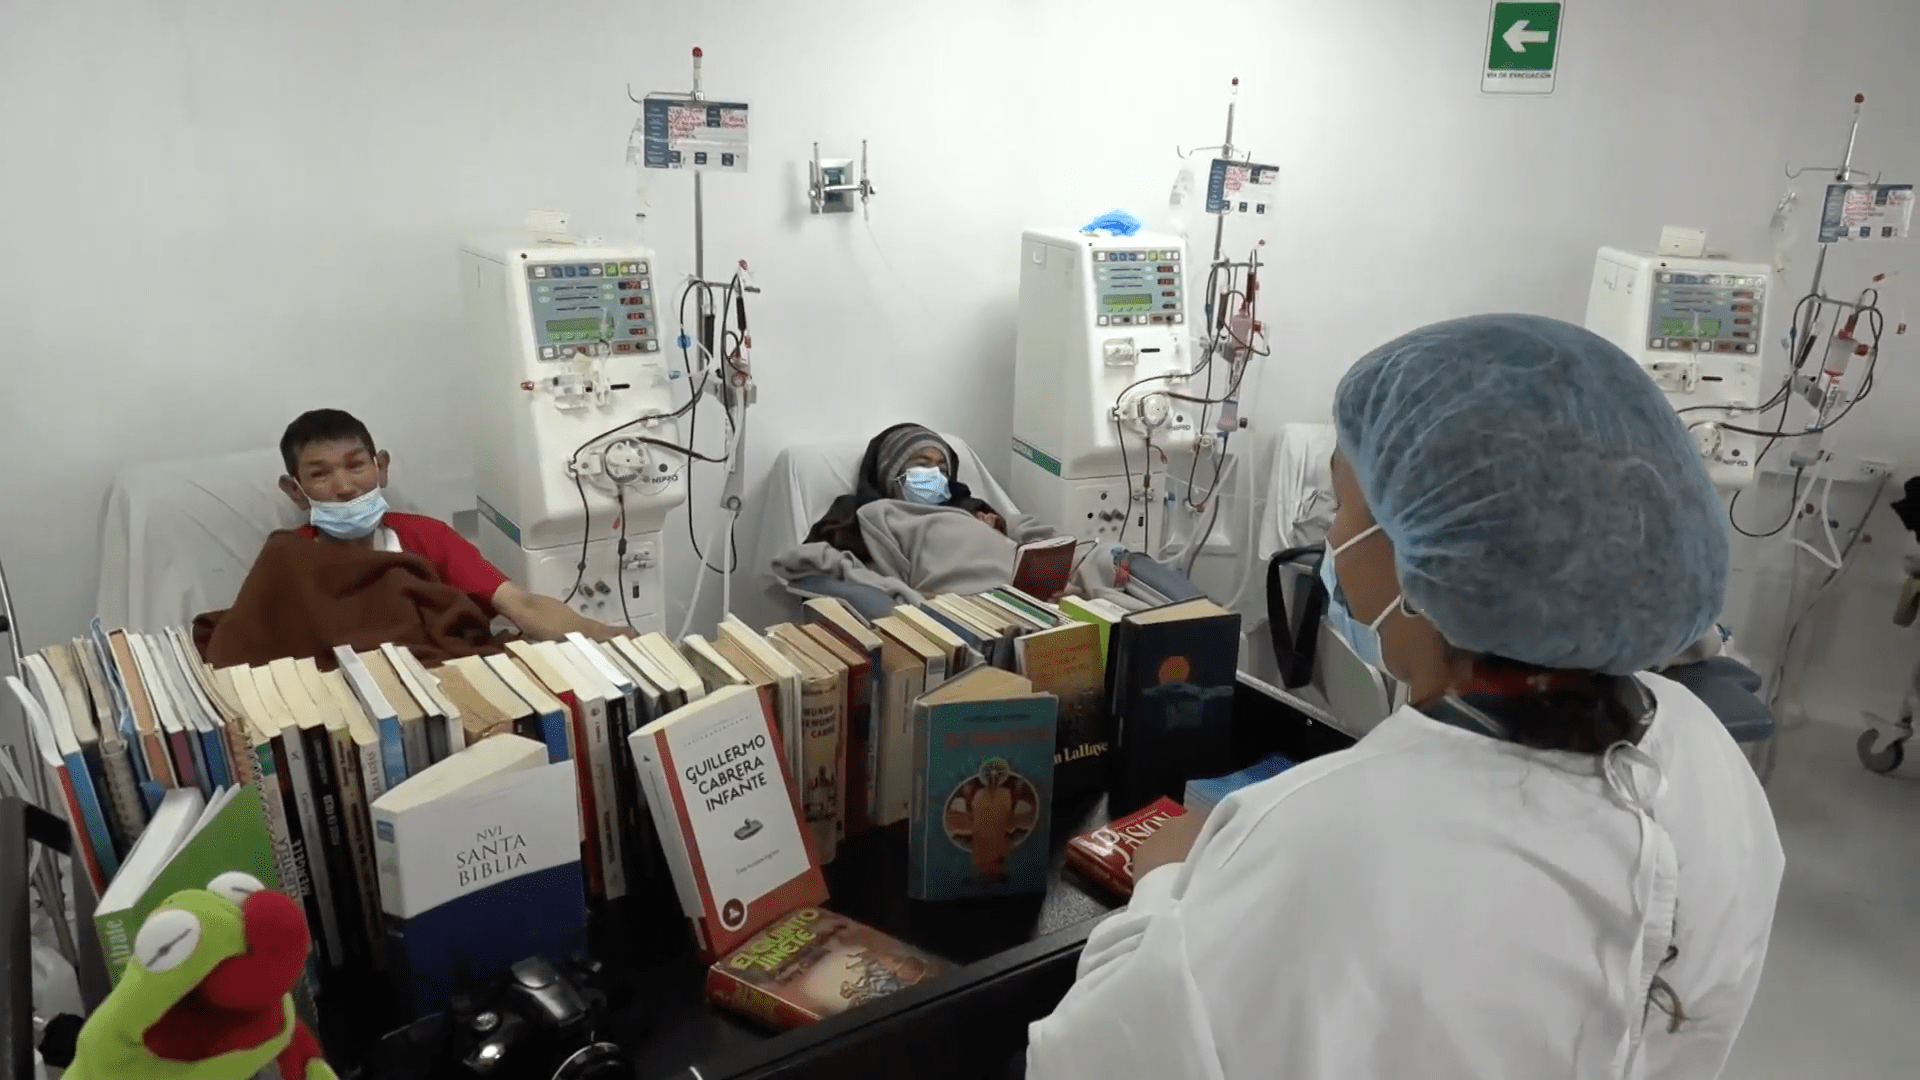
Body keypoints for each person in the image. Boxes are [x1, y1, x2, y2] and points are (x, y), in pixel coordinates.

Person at [1024, 315, 1783, 1079]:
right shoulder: (1704, 751)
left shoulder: (1324, 844)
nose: (1329, 538)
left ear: (1430, 556)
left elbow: (1092, 1059)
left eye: (1343, 504)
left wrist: (1161, 887)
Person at [275, 409, 627, 642]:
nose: (345, 487)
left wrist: (605, 634)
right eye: (320, 474)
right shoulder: (286, 558)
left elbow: (520, 605)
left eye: (356, 466)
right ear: (296, 489)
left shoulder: (426, 537)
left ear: (380, 467)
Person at [804, 423, 1008, 561]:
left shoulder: (967, 508)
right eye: (922, 464)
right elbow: (814, 566)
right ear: (892, 472)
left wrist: (988, 532)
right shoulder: (852, 517)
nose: (934, 475)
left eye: (942, 469)